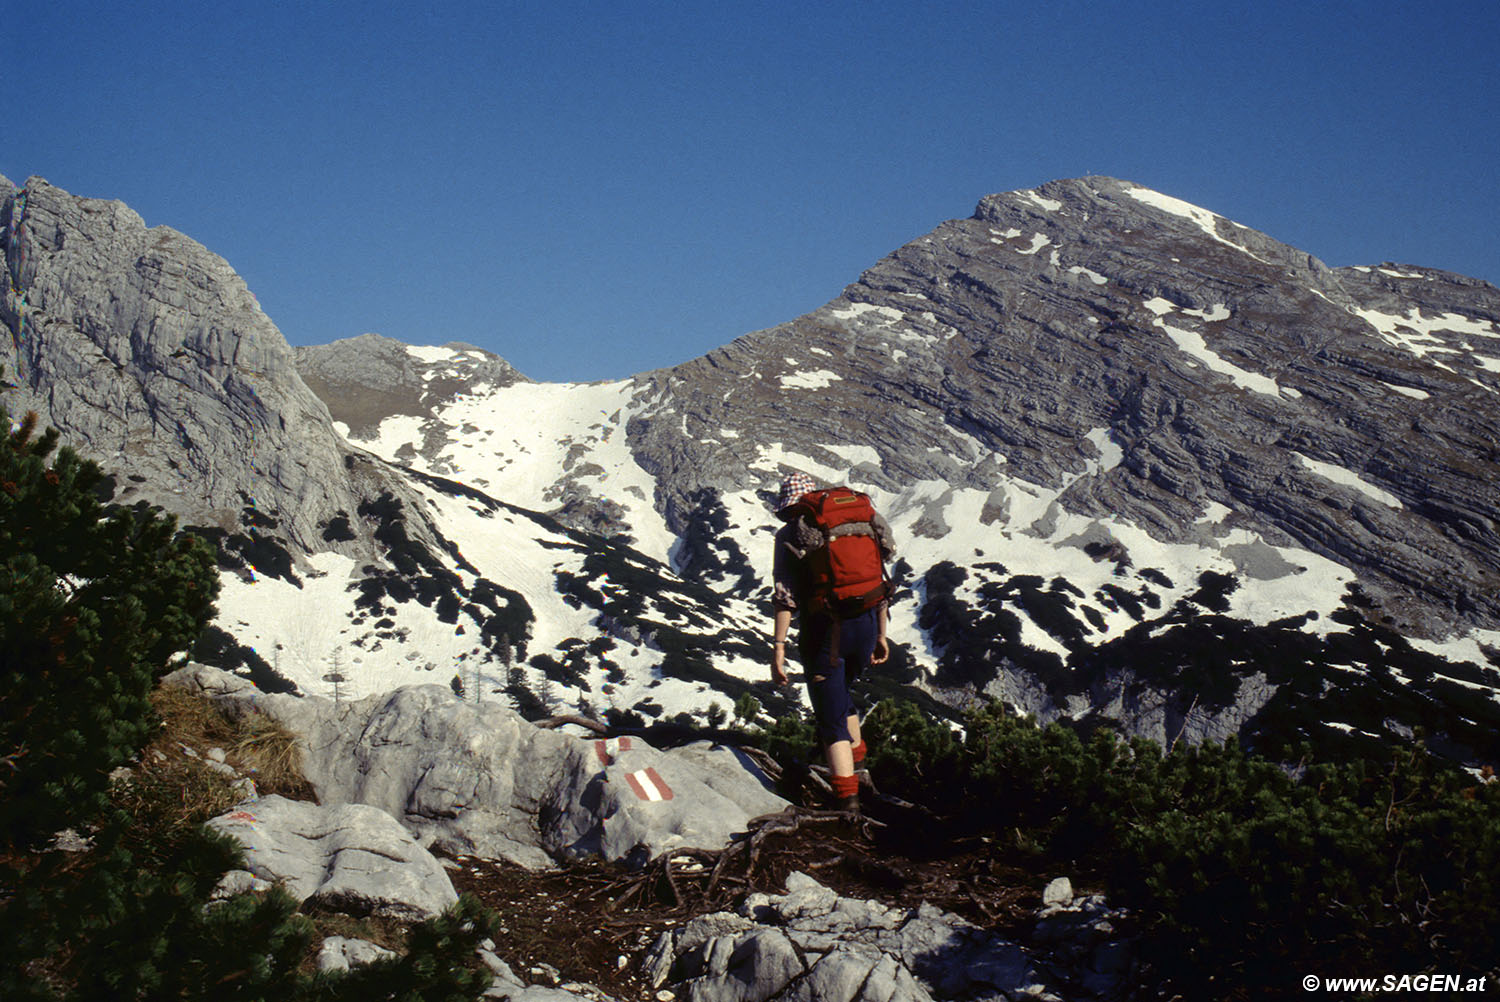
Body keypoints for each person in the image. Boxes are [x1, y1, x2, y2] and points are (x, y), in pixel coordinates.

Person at [769, 473, 895, 811]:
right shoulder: (859, 519)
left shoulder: (790, 533)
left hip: (827, 632)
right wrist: (881, 634)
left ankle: (846, 801)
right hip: (867, 624)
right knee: (841, 696)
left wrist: (778, 649)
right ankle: (858, 773)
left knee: (830, 718)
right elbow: (880, 575)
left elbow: (786, 597)